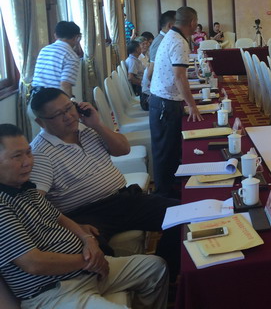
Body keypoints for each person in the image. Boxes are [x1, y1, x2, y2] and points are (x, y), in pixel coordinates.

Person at [0, 124, 169, 308]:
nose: (27, 162)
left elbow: (60, 218)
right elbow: (33, 263)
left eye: (28, 153)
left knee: (156, 268)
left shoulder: (26, 189)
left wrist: (88, 239)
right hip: (55, 291)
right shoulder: (2, 205)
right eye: (17, 156)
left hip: (85, 271)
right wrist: (88, 261)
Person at [29, 88, 181, 281]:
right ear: (40, 122)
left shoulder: (86, 128)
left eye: (69, 108)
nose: (68, 116)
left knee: (182, 215)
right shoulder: (40, 154)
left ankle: (167, 276)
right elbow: (35, 204)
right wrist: (76, 227)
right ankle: (131, 282)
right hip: (86, 214)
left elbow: (123, 149)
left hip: (123, 199)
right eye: (57, 115)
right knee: (95, 254)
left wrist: (97, 124)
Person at [149, 7, 203, 198]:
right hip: (165, 103)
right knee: (165, 154)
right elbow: (179, 76)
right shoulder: (179, 41)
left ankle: (169, 192)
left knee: (168, 152)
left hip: (162, 100)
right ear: (193, 23)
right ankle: (164, 198)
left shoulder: (171, 36)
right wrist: (192, 105)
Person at [32, 21, 83, 98]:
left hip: (35, 97)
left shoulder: (44, 50)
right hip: (53, 100)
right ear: (76, 38)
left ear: (55, 35)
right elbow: (65, 85)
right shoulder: (71, 56)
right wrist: (69, 103)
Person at [141, 10, 176, 112]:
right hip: (151, 98)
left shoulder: (164, 38)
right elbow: (150, 73)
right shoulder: (160, 41)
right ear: (170, 26)